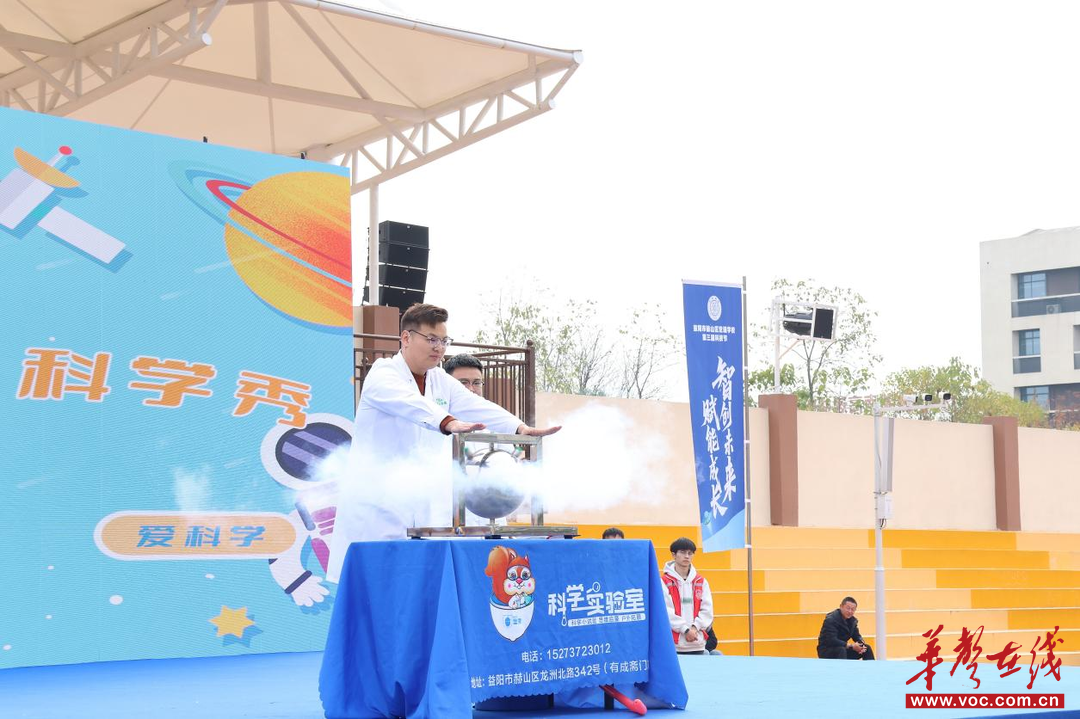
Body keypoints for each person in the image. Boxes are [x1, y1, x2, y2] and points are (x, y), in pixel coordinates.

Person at [326, 303, 561, 582]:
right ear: (406, 338)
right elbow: (410, 403)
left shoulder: (440, 379)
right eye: (431, 339)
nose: (439, 348)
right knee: (375, 586)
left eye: (443, 340)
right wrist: (447, 421)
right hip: (377, 508)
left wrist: (519, 427)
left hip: (418, 508)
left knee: (413, 587)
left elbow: (477, 406)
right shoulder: (382, 373)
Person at [661, 537, 714, 654]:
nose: (686, 556)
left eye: (690, 553)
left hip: (697, 643)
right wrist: (685, 630)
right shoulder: (664, 581)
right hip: (674, 644)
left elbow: (707, 610)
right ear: (674, 555)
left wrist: (694, 628)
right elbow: (665, 611)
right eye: (683, 552)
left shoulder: (701, 581)